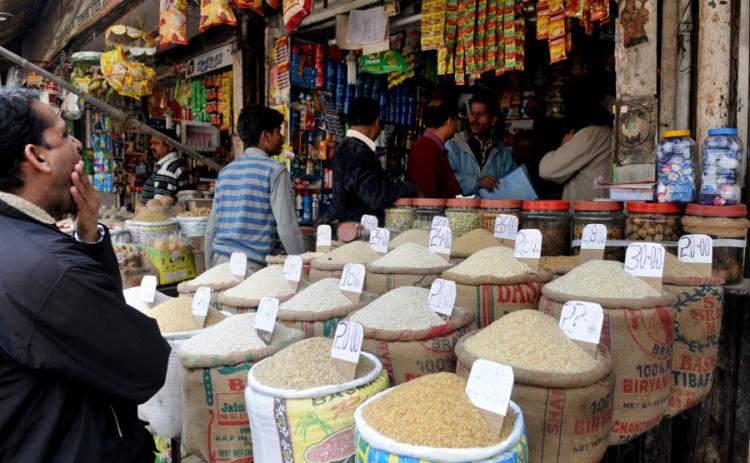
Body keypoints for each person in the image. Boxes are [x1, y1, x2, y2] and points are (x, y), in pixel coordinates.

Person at [0, 88, 169, 461]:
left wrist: (89, 237)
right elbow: (143, 362)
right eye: (64, 135)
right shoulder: (46, 269)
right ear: (37, 156)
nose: (77, 144)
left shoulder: (25, 244)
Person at [205, 105, 305, 270]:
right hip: (251, 269)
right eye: (278, 131)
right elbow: (288, 230)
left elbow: (211, 230)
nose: (282, 138)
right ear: (265, 136)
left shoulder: (226, 172)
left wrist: (209, 272)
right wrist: (304, 265)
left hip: (219, 266)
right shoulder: (275, 171)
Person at [332, 97, 418, 222]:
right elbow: (375, 195)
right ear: (377, 122)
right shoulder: (354, 150)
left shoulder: (350, 147)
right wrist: (409, 188)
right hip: (359, 234)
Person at [538, 86, 614, 205]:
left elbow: (546, 169)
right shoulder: (609, 133)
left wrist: (565, 145)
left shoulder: (590, 135)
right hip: (603, 209)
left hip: (587, 214)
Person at [446, 94, 517, 196]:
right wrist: (477, 182)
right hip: (462, 210)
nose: (474, 118)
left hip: (492, 210)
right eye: (472, 113)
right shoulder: (453, 145)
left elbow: (513, 183)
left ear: (493, 120)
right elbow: (447, 180)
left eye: (481, 114)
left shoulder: (503, 151)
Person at [406, 98, 462, 198]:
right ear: (449, 121)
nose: (457, 125)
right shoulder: (424, 149)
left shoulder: (434, 147)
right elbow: (425, 195)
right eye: (457, 119)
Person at [140, 127, 190, 205]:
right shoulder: (176, 163)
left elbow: (159, 206)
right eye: (151, 144)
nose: (152, 147)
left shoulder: (166, 170)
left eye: (156, 144)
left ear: (169, 146)